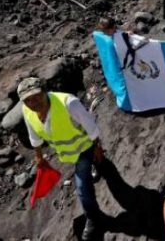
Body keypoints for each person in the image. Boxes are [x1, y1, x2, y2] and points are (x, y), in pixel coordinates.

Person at [19, 77, 105, 240]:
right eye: (27, 100)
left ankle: (94, 218)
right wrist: (38, 156)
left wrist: (97, 147)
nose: (33, 102)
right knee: (93, 170)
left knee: (82, 188)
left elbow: (91, 127)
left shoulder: (68, 103)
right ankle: (99, 165)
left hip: (84, 147)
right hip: (68, 153)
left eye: (36, 96)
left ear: (45, 91)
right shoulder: (27, 111)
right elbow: (34, 136)